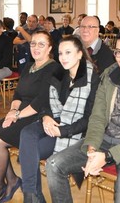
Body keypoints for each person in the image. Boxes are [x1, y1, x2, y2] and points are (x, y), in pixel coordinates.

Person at [45, 29, 120, 203]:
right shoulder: (109, 76)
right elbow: (97, 117)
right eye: (118, 52)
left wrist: (107, 157)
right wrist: (92, 150)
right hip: (106, 139)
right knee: (54, 165)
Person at [0, 31, 63, 203]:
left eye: (41, 44)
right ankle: (11, 180)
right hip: (20, 112)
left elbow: (42, 100)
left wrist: (17, 115)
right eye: (33, 43)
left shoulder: (54, 68)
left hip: (38, 115)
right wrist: (12, 111)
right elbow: (18, 93)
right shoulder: (28, 66)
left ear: (49, 47)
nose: (35, 47)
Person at [19, 36, 99, 202]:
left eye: (68, 52)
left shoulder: (92, 78)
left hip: (77, 133)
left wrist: (62, 130)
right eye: (61, 53)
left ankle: (32, 198)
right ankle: (32, 196)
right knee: (27, 133)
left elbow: (90, 119)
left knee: (28, 154)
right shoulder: (57, 73)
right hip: (54, 123)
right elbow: (45, 103)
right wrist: (46, 116)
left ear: (79, 54)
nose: (63, 57)